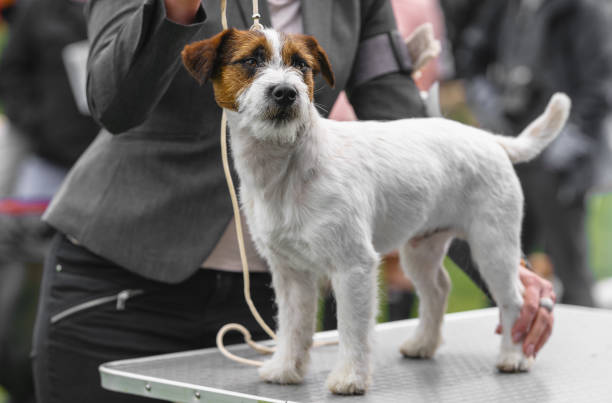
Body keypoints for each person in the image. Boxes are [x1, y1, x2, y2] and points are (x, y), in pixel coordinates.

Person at [32, 1, 556, 402]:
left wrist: (499, 261)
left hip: (260, 297)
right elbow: (110, 102)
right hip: (120, 286)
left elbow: (405, 133)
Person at [447, 0, 612, 306]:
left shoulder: (585, 10)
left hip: (558, 164)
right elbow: (472, 58)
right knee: (500, 266)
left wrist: (563, 149)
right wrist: (488, 106)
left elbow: (600, 85)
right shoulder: (507, 7)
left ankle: (586, 348)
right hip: (511, 149)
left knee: (570, 270)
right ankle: (505, 341)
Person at [0, 0, 100, 402]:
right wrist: (36, 124)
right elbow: (11, 72)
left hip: (104, 161)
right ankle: (19, 366)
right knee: (30, 271)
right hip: (44, 164)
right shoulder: (36, 10)